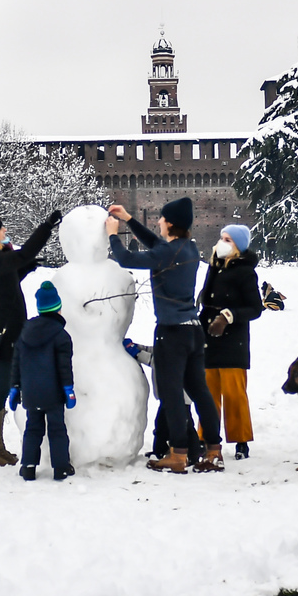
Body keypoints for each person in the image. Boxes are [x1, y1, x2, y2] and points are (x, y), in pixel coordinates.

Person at [106, 197, 225, 474]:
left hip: (171, 333)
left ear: (170, 223)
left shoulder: (168, 253)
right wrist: (128, 219)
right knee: (199, 391)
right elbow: (157, 245)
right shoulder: (189, 248)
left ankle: (178, 454)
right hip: (193, 331)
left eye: (161, 218)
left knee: (171, 395)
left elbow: (126, 258)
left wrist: (113, 235)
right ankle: (214, 451)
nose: (157, 221)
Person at [0, 210, 63, 466]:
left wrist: (25, 270)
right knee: (0, 388)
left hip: (5, 328)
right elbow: (23, 254)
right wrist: (46, 226)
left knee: (2, 385)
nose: (5, 230)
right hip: (4, 332)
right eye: (1, 228)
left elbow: (5, 282)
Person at [199, 223, 264, 459]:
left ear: (238, 246)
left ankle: (241, 441)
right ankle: (206, 438)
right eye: (221, 238)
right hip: (209, 336)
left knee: (234, 393)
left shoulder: (245, 272)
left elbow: (255, 308)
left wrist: (228, 316)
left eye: (228, 240)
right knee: (207, 392)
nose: (222, 243)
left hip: (232, 339)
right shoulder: (214, 267)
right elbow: (206, 299)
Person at [7, 281, 76, 481]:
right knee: (57, 429)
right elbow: (64, 367)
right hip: (53, 394)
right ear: (58, 309)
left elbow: (16, 363)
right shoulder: (62, 336)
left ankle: (28, 467)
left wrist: (14, 388)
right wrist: (68, 390)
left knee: (33, 428)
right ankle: (61, 467)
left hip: (30, 393)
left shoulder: (24, 334)